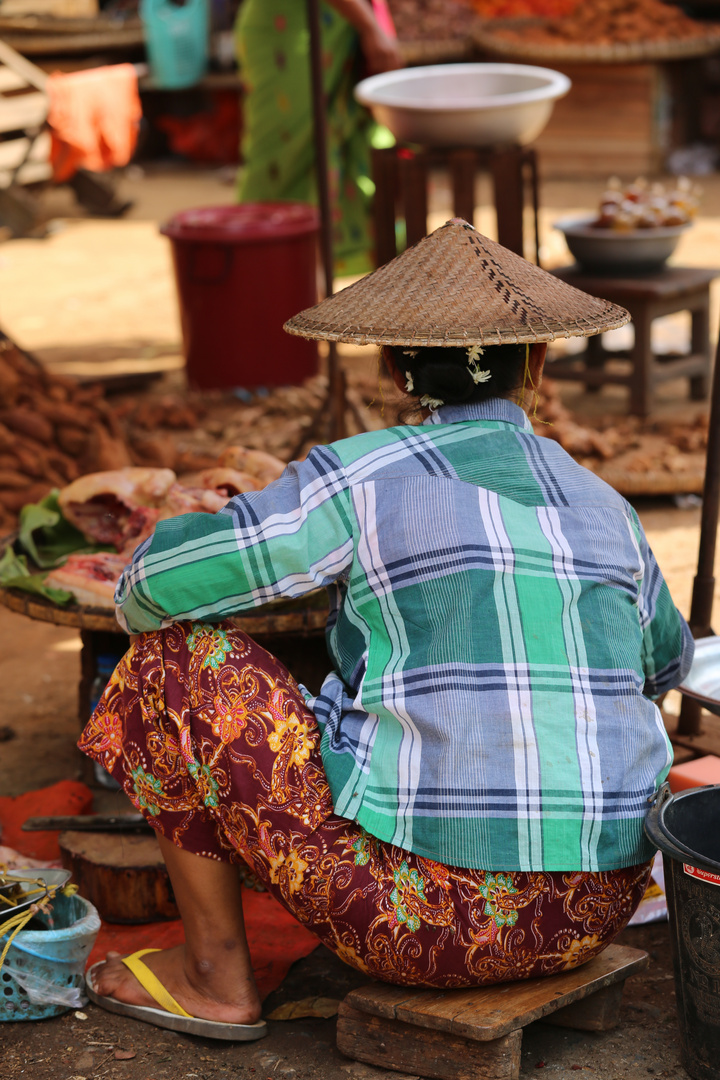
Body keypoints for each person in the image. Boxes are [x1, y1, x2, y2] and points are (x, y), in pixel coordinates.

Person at [82, 220, 693, 1040]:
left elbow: (149, 593)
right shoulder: (606, 504)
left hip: (425, 927)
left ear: (391, 368)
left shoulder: (362, 473)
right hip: (595, 912)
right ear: (537, 364)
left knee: (173, 662)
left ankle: (214, 977)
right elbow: (665, 664)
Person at [235, 0, 403, 277]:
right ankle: (260, 277)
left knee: (354, 146)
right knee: (285, 158)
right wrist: (370, 27)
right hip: (289, 31)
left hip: (343, 27)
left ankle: (309, 285)